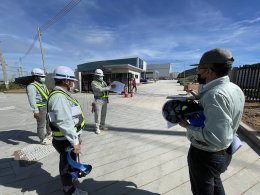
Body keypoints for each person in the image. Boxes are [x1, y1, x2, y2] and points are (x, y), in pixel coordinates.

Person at [178, 48, 245, 195]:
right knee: (215, 183)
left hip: (206, 155)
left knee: (202, 190)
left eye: (199, 69)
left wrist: (187, 126)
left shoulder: (215, 95)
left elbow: (216, 137)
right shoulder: (234, 88)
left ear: (209, 71)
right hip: (225, 152)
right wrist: (198, 99)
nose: (198, 72)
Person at [47, 66, 87, 195]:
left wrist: (76, 136)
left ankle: (68, 186)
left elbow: (69, 118)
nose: (73, 83)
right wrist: (74, 141)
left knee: (68, 164)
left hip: (66, 138)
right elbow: (65, 122)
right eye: (71, 80)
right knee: (67, 166)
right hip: (64, 140)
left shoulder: (62, 94)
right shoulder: (59, 97)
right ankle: (69, 190)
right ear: (65, 80)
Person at [26, 68, 51, 145]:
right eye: (42, 76)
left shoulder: (43, 85)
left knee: (49, 122)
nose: (43, 78)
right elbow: (32, 100)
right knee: (41, 125)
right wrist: (35, 111)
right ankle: (42, 139)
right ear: (36, 77)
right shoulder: (31, 86)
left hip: (47, 106)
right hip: (40, 108)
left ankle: (49, 134)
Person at [91, 69, 111, 134]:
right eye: (100, 76)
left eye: (102, 76)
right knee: (98, 114)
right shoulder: (93, 82)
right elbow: (100, 89)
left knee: (103, 114)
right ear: (96, 76)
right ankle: (97, 127)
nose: (101, 77)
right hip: (98, 99)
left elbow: (106, 89)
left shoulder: (103, 82)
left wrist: (110, 87)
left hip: (104, 99)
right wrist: (108, 88)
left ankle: (102, 125)